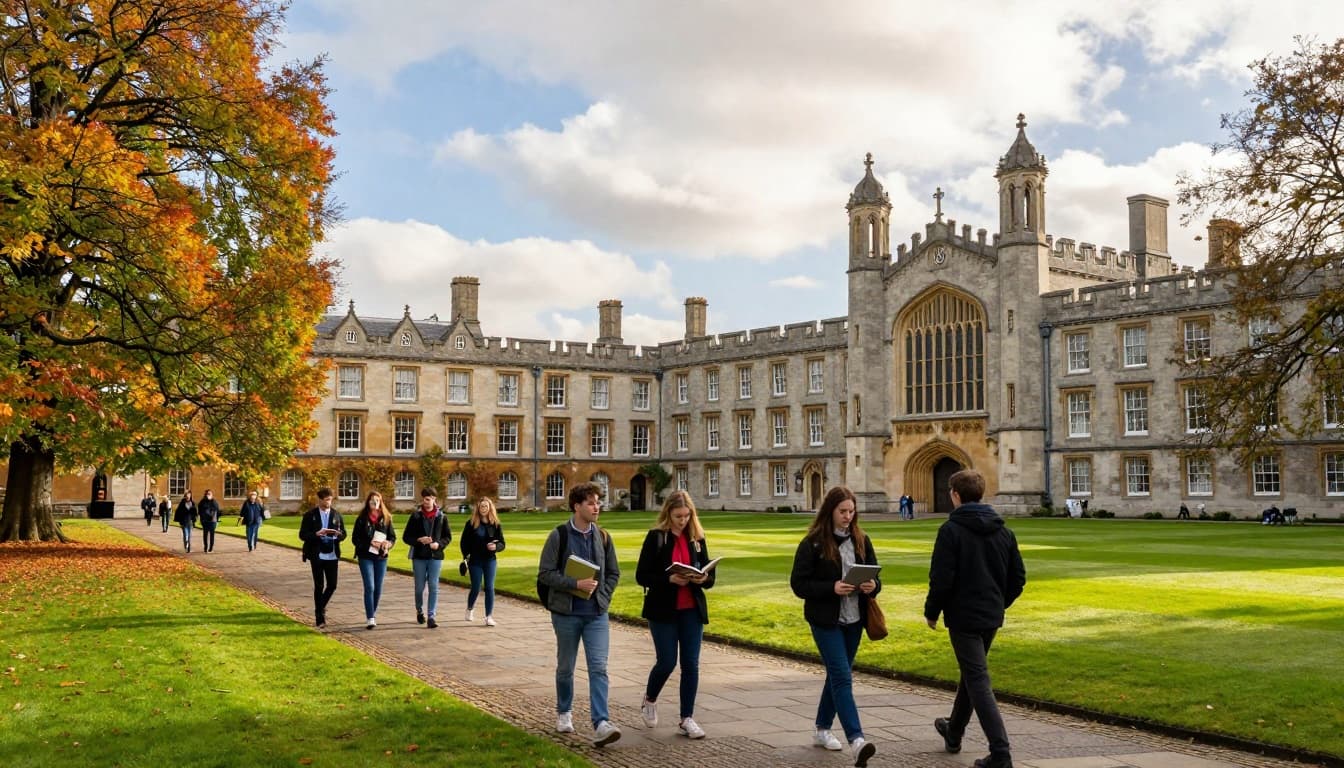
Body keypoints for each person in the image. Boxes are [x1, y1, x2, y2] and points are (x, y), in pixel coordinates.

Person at [924, 469, 1027, 768]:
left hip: (963, 617)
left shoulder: (951, 531)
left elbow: (941, 578)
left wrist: (932, 611)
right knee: (972, 674)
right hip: (990, 615)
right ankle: (953, 731)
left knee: (978, 678)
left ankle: (1001, 754)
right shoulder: (1004, 532)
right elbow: (1018, 579)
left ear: (955, 495)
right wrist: (998, 603)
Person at [789, 486, 880, 768]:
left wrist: (872, 585)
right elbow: (798, 584)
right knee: (842, 676)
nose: (848, 516)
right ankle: (857, 741)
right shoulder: (813, 543)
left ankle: (822, 728)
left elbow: (876, 576)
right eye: (843, 511)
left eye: (851, 511)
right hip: (825, 620)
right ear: (830, 511)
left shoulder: (862, 540)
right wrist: (832, 587)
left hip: (854, 619)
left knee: (837, 674)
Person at [538, 482, 622, 747]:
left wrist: (603, 595)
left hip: (596, 614)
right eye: (591, 503)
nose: (597, 507)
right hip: (566, 614)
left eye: (598, 502)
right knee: (566, 667)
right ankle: (564, 711)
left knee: (599, 667)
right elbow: (545, 574)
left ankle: (601, 723)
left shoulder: (604, 536)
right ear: (577, 506)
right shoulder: (559, 536)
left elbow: (614, 573)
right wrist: (575, 584)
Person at [635, 490, 714, 741]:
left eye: (686, 516)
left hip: (691, 608)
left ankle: (686, 718)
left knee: (691, 664)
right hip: (663, 609)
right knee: (667, 661)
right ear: (668, 513)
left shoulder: (697, 538)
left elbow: (709, 574)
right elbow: (641, 575)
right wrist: (668, 579)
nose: (683, 520)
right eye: (678, 516)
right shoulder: (656, 537)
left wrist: (703, 578)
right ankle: (650, 698)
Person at [401, 488, 451, 629]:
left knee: (433, 586)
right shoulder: (415, 516)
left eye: (429, 499)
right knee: (419, 588)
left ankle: (431, 616)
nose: (426, 501)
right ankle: (419, 610)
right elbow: (406, 537)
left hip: (435, 556)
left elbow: (447, 537)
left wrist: (438, 544)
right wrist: (419, 540)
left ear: (434, 499)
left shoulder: (442, 517)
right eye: (424, 498)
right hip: (419, 556)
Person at [298, 488, 346, 629]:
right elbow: (302, 535)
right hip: (317, 554)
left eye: (330, 500)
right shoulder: (310, 515)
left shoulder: (336, 515)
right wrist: (316, 534)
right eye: (326, 500)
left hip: (332, 554)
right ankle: (320, 618)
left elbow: (344, 533)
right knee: (319, 585)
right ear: (319, 500)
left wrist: (338, 535)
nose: (328, 502)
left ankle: (319, 607)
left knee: (332, 585)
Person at [460, 497, 507, 626]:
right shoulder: (471, 524)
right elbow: (464, 543)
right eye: (482, 506)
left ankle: (488, 616)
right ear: (478, 508)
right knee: (476, 587)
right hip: (475, 560)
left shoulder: (495, 524)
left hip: (490, 560)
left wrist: (495, 547)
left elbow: (502, 543)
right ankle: (470, 608)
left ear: (490, 508)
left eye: (486, 506)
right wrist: (466, 557)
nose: (484, 509)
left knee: (490, 587)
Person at [352, 490, 395, 629]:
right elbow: (355, 539)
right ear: (368, 502)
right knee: (369, 586)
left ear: (380, 502)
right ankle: (370, 617)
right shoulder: (362, 519)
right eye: (372, 500)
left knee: (378, 587)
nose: (375, 503)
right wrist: (370, 543)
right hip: (366, 556)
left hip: (381, 557)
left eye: (377, 500)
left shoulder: (386, 518)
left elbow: (392, 537)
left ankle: (372, 613)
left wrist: (388, 544)